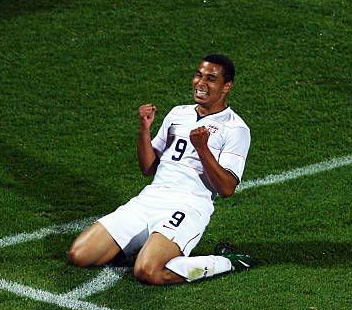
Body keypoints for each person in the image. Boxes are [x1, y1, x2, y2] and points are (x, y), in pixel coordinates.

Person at [67, 54, 254, 285]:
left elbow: (227, 188)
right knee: (79, 254)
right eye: (198, 75)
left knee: (148, 271)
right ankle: (144, 246)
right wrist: (144, 130)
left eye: (211, 78)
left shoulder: (235, 129)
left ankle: (227, 261)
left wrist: (203, 149)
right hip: (149, 199)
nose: (201, 83)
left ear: (227, 86)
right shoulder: (178, 113)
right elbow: (148, 167)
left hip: (188, 206)